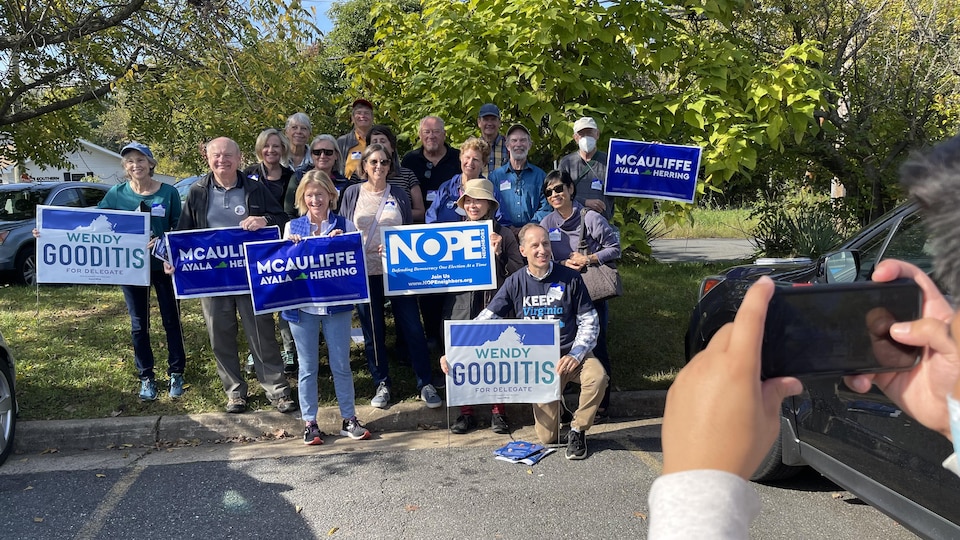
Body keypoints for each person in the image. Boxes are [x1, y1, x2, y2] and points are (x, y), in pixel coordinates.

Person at [440, 224, 607, 459]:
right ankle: (561, 410)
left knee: (598, 377)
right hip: (540, 367)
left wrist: (575, 354)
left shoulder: (570, 278)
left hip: (571, 355)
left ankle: (578, 429)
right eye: (535, 245)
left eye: (546, 244)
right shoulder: (515, 282)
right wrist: (455, 352)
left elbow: (590, 321)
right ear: (522, 250)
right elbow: (486, 319)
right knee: (547, 437)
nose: (542, 250)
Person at [173, 137, 296, 414]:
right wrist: (174, 261)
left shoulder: (255, 188)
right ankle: (235, 392)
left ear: (239, 158)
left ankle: (277, 389)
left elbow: (284, 220)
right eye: (216, 155)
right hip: (213, 280)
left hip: (251, 276)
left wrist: (265, 220)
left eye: (228, 155)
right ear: (207, 158)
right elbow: (183, 234)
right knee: (220, 335)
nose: (222, 160)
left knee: (262, 332)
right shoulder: (197, 191)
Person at [339, 144, 441, 410]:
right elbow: (344, 228)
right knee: (373, 331)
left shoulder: (398, 194)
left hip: (398, 272)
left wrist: (396, 247)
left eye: (384, 162)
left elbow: (406, 229)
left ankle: (425, 382)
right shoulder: (352, 193)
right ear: (364, 166)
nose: (379, 167)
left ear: (390, 165)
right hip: (365, 271)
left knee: (412, 328)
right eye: (373, 162)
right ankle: (381, 383)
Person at [282, 170, 371, 444]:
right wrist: (290, 249)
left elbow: (357, 262)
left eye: (320, 194)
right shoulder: (291, 227)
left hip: (337, 306)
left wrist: (341, 241)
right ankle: (310, 423)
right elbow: (281, 270)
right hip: (303, 307)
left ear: (330, 195)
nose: (315, 199)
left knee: (341, 364)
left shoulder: (345, 224)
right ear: (302, 198)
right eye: (309, 195)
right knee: (307, 367)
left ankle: (349, 418)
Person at [102, 142, 187, 401]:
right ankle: (146, 376)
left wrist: (162, 243)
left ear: (151, 163)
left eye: (140, 160)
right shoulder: (117, 194)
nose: (135, 165)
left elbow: (179, 228)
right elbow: (93, 225)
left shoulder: (169, 193)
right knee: (139, 324)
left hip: (163, 267)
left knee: (171, 320)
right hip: (131, 268)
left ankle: (176, 372)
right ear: (125, 167)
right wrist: (49, 230)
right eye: (130, 161)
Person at [442, 178, 524, 434]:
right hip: (461, 304)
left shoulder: (505, 233)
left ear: (489, 204)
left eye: (478, 200)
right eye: (468, 200)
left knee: (495, 358)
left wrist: (498, 255)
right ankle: (465, 413)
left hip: (494, 303)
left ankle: (498, 412)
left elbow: (519, 271)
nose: (473, 205)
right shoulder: (453, 232)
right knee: (462, 356)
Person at [540, 169, 620, 419]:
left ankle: (602, 404)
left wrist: (589, 258)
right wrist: (563, 264)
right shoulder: (547, 223)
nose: (555, 194)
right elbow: (545, 259)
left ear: (570, 189)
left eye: (559, 188)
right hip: (563, 295)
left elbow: (615, 248)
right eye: (549, 191)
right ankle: (561, 404)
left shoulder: (591, 218)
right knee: (561, 346)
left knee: (596, 344)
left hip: (592, 293)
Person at [243, 128, 299, 375]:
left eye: (276, 146)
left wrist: (266, 219)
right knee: (258, 300)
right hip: (254, 247)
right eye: (267, 146)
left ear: (283, 149)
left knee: (285, 297)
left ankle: (288, 348)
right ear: (259, 149)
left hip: (283, 244)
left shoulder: (292, 177)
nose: (271, 150)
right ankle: (257, 351)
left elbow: (292, 213)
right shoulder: (247, 175)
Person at [425, 136, 504, 224]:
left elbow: (502, 221)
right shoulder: (446, 188)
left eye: (475, 159)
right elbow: (431, 219)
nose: (470, 163)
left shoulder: (491, 191)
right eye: (467, 157)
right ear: (461, 158)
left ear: (484, 164)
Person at [488, 124, 550, 228]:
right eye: (514, 140)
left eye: (523, 140)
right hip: (503, 234)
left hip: (533, 233)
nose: (518, 144)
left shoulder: (540, 176)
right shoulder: (495, 177)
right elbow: (491, 207)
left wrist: (529, 227)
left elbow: (546, 207)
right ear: (507, 145)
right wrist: (507, 227)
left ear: (529, 145)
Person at [557, 117, 614, 221]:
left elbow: (632, 176)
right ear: (575, 138)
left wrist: (651, 152)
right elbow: (559, 194)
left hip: (601, 222)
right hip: (572, 223)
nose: (586, 137)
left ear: (597, 134)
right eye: (582, 134)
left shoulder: (610, 161)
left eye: (589, 133)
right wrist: (585, 202)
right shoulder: (566, 162)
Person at [367, 124, 426, 222]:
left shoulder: (407, 175)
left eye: (383, 141)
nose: (379, 145)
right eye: (374, 142)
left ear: (392, 147)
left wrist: (394, 213)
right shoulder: (358, 178)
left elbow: (420, 212)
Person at [401, 116, 461, 211]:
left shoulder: (459, 158)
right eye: (426, 132)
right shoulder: (410, 160)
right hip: (418, 222)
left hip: (451, 218)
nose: (431, 136)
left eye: (436, 131)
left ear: (444, 134)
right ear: (420, 135)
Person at [337, 98, 374, 180]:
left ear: (372, 118)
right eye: (359, 113)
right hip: (349, 188)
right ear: (353, 118)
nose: (362, 116)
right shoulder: (342, 142)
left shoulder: (381, 140)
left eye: (366, 113)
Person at [477, 103, 508, 177]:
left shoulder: (509, 145)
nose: (489, 123)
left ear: (499, 122)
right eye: (486, 119)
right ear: (479, 122)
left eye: (493, 119)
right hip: (480, 188)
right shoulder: (473, 147)